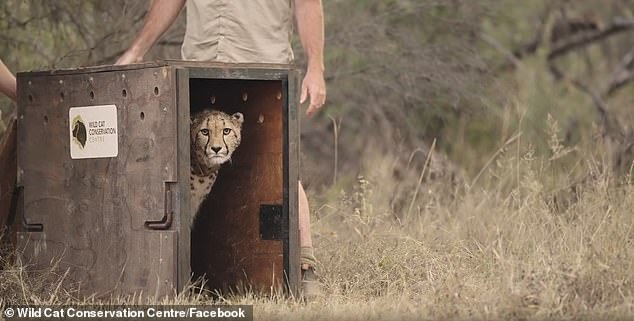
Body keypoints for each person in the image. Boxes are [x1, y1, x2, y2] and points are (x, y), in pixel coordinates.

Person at [115, 0, 326, 298]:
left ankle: (304, 266)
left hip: (263, 66)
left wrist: (315, 67)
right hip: (199, 65)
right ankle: (178, 274)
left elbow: (307, 5)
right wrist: (137, 50)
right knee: (181, 167)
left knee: (280, 169)